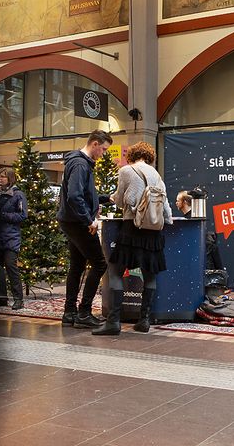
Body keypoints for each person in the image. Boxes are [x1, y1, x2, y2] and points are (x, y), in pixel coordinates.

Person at [93, 141, 173, 335]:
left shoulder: (126, 171)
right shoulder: (156, 175)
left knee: (115, 272)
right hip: (153, 232)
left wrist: (113, 198)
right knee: (150, 275)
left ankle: (113, 322)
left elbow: (121, 200)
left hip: (132, 229)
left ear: (132, 155)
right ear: (149, 157)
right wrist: (167, 220)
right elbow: (166, 208)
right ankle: (144, 320)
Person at [57, 130, 113, 328]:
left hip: (70, 221)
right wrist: (89, 220)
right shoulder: (81, 164)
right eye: (104, 150)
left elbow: (83, 194)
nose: (103, 154)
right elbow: (74, 196)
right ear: (95, 144)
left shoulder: (77, 162)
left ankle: (69, 313)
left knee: (77, 265)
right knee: (99, 264)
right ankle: (84, 313)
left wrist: (107, 198)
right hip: (78, 222)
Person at [0, 167, 28, 310]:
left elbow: (23, 215)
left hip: (11, 237)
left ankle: (19, 299)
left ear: (10, 179)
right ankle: (1, 298)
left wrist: (4, 216)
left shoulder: (18, 195)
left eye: (2, 176)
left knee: (11, 267)